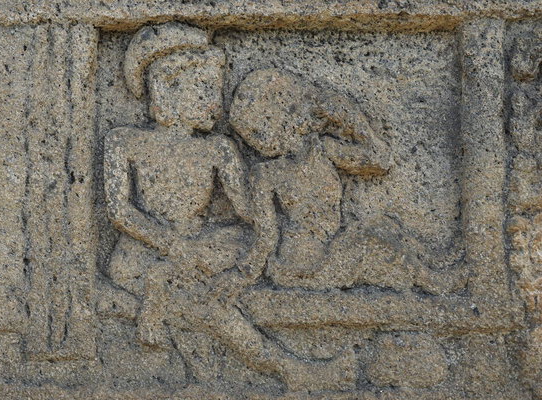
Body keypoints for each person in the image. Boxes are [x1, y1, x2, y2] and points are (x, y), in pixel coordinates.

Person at [105, 23, 349, 391]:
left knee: (225, 256)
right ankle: (286, 368)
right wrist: (172, 246)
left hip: (201, 247)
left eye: (215, 90)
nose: (215, 103)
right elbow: (120, 212)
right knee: (201, 301)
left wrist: (292, 181)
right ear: (167, 89)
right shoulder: (123, 141)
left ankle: (207, 378)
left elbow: (248, 212)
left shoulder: (219, 149)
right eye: (203, 89)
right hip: (145, 253)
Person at [230, 68, 467, 294]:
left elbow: (380, 161)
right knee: (372, 240)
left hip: (330, 248)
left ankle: (434, 261)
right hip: (302, 264)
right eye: (250, 134)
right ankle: (432, 281)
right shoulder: (265, 174)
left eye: (256, 130)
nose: (255, 140)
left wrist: (350, 117)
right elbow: (266, 238)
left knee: (383, 225)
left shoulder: (323, 149)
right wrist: (240, 277)